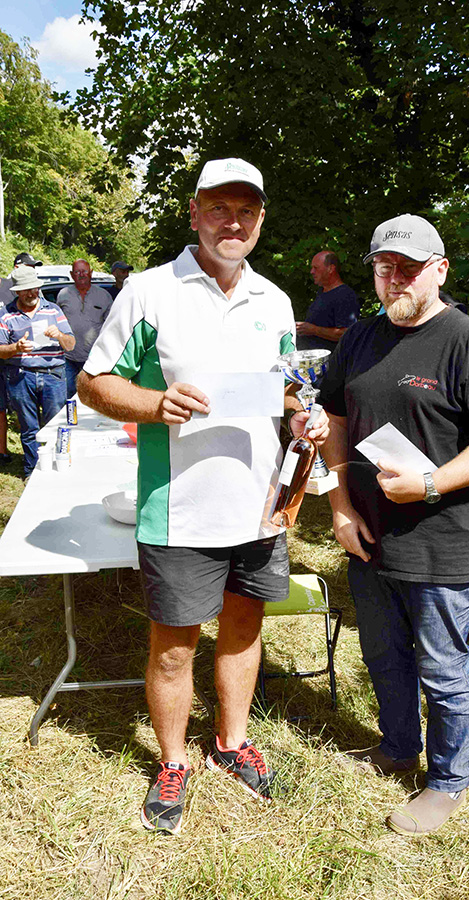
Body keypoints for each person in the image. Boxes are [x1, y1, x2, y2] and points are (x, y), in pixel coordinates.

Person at [77, 157, 328, 835]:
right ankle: (171, 762)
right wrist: (156, 403)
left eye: (246, 210)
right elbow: (94, 383)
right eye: (219, 207)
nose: (233, 221)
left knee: (244, 631)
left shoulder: (274, 300)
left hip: (259, 506)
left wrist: (303, 416)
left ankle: (229, 742)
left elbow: (286, 388)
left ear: (261, 220)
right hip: (178, 508)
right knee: (174, 648)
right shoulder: (152, 291)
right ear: (195, 212)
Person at [319, 213, 469, 837]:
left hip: (440, 543)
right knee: (382, 654)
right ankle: (397, 744)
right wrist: (339, 507)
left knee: (442, 668)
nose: (394, 281)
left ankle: (447, 780)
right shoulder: (358, 337)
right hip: (366, 535)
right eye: (384, 269)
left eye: (407, 269)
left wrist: (432, 482)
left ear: (439, 270)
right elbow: (331, 417)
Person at [0, 265, 75, 476]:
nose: (31, 293)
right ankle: (33, 471)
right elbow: (0, 350)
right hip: (20, 376)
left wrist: (59, 335)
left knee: (56, 426)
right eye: (25, 290)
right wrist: (15, 348)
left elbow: (71, 344)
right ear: (16, 291)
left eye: (34, 288)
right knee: (29, 428)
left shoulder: (53, 309)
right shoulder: (5, 314)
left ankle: (59, 467)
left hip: (54, 375)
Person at [0, 252, 46, 463]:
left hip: (26, 360)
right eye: (29, 266)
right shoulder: (3, 286)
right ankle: (4, 452)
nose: (32, 270)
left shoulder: (37, 291)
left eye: (34, 267)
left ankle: (39, 456)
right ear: (17, 267)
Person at [56, 259, 113, 398]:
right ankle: (70, 420)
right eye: (77, 271)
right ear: (71, 274)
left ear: (91, 273)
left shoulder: (104, 296)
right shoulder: (63, 294)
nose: (81, 274)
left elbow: (111, 325)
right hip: (68, 357)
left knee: (93, 396)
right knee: (68, 396)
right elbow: (56, 322)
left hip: (94, 357)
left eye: (85, 271)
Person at [295, 251, 361, 352]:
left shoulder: (344, 295)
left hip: (331, 363)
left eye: (316, 268)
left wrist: (314, 330)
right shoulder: (322, 292)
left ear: (331, 269)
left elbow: (347, 333)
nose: (312, 272)